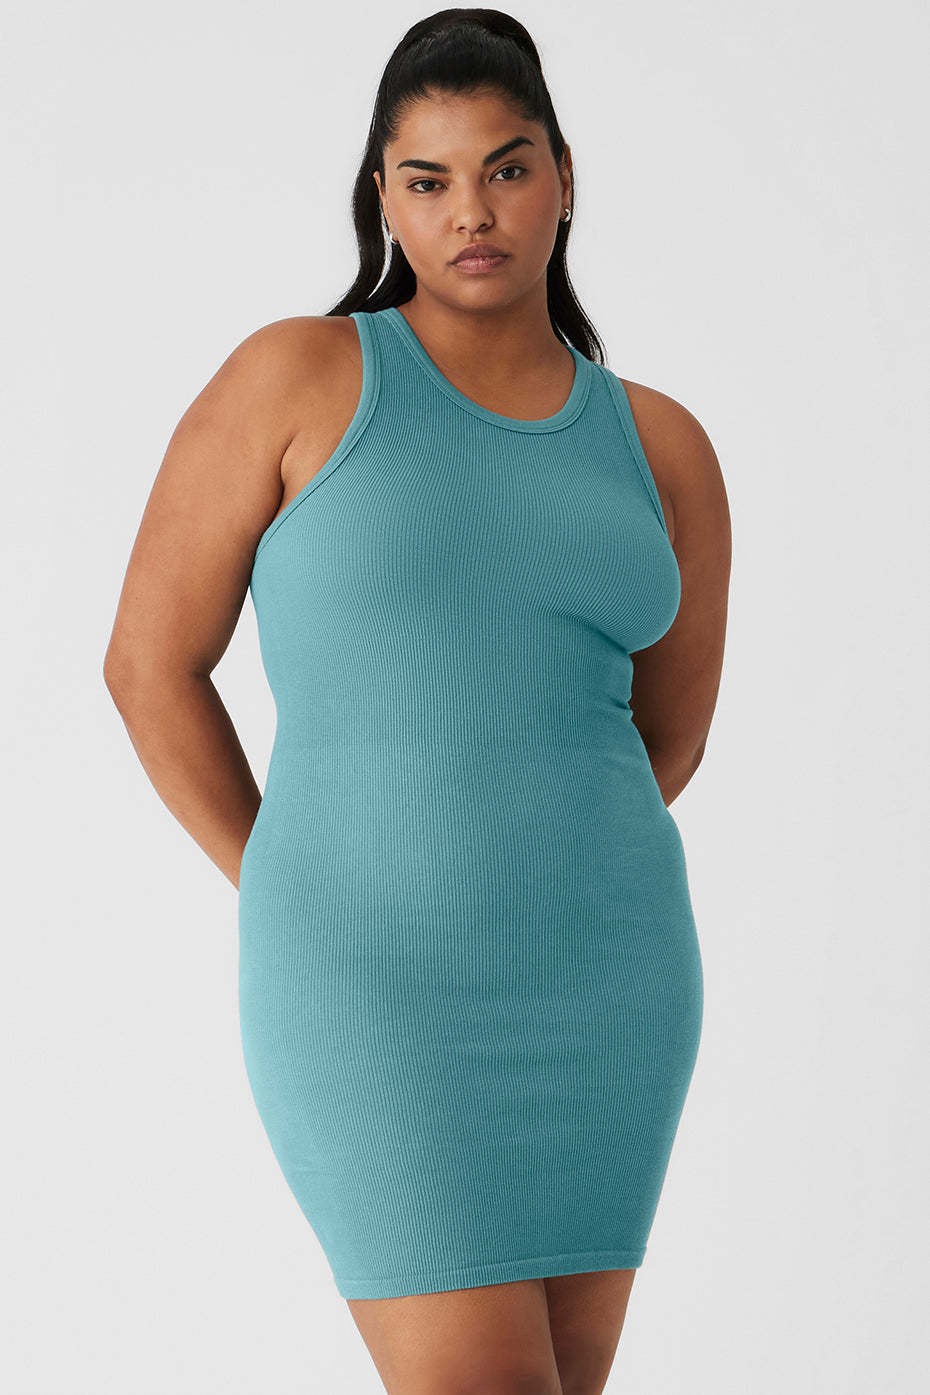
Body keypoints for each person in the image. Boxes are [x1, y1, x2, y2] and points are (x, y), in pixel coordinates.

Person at [103, 10, 730, 1393]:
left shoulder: (661, 444)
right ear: (381, 196)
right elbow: (148, 666)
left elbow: (666, 737)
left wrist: (532, 859)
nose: (471, 213)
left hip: (609, 985)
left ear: (562, 176)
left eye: (506, 169)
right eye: (427, 179)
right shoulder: (300, 375)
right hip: (372, 986)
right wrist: (296, 879)